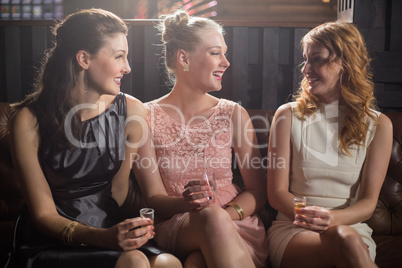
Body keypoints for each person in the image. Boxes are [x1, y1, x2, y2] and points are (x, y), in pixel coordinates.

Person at [9, 8, 181, 268]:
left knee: (168, 263)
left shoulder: (132, 112)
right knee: (134, 261)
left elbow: (118, 191)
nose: (128, 67)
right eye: (119, 56)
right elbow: (43, 215)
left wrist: (128, 231)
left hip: (107, 231)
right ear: (84, 59)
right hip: (50, 241)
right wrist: (102, 238)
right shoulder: (28, 120)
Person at [132, 9, 269, 268]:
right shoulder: (145, 117)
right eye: (215, 53)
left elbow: (257, 190)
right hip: (178, 225)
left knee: (197, 263)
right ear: (184, 58)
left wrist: (226, 215)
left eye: (224, 53)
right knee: (209, 220)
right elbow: (153, 198)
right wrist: (186, 203)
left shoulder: (233, 113)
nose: (226, 62)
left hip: (236, 224)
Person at [266, 20, 393, 268]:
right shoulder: (287, 115)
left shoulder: (380, 125)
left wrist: (334, 218)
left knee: (345, 238)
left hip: (351, 228)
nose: (305, 69)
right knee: (345, 242)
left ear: (345, 64)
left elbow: (367, 203)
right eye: (305, 59)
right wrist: (314, 219)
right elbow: (277, 194)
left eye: (317, 59)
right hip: (294, 229)